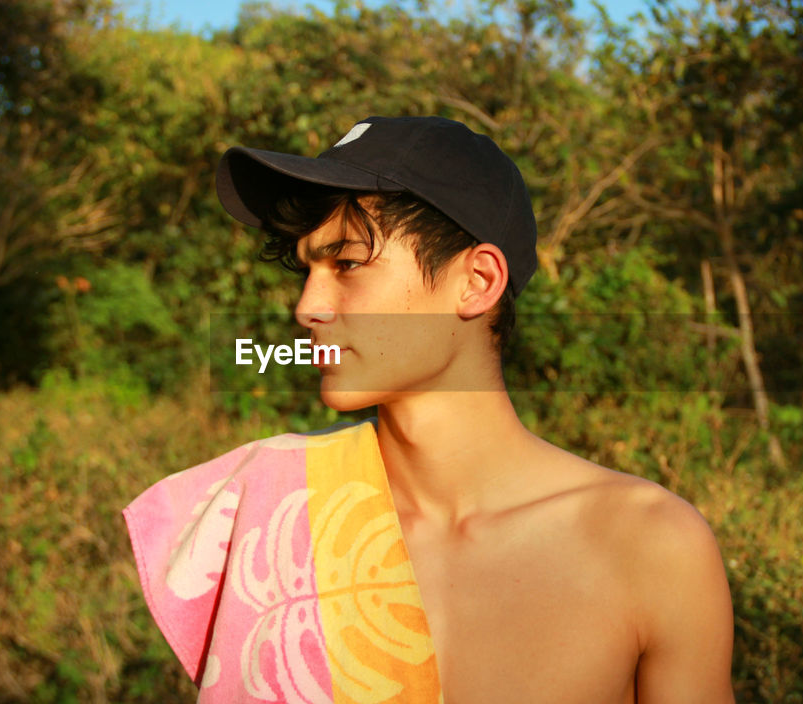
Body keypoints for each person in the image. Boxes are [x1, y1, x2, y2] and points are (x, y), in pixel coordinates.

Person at [124, 116, 734, 703]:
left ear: (476, 282)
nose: (308, 306)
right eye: (305, 269)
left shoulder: (649, 546)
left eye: (348, 263)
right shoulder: (268, 519)